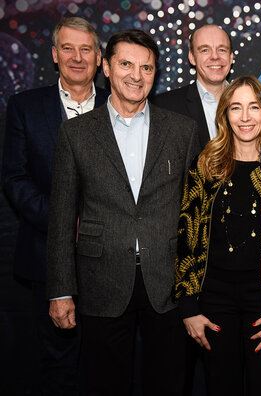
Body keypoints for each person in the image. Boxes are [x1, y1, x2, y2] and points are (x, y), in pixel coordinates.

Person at [46, 29, 201, 396]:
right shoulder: (76, 134)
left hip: (167, 282)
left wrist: (195, 287)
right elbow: (63, 218)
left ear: (156, 73)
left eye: (146, 68)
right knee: (105, 383)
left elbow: (196, 217)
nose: (136, 75)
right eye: (126, 64)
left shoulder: (182, 131)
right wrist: (60, 291)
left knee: (168, 383)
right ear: (106, 66)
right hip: (101, 280)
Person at [1, 17, 108, 395]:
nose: (77, 58)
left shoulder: (124, 107)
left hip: (113, 265)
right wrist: (66, 223)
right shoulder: (25, 107)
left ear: (99, 57)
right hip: (47, 259)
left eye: (85, 49)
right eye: (68, 48)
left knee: (108, 365)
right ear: (54, 55)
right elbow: (14, 179)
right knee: (57, 366)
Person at [172, 75, 261, 396]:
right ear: (224, 114)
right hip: (214, 301)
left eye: (254, 107)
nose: (245, 117)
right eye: (236, 108)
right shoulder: (206, 165)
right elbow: (187, 234)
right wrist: (188, 305)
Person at [153, 24, 234, 148]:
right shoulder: (165, 107)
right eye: (205, 50)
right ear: (192, 57)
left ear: (231, 57)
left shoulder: (254, 104)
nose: (215, 56)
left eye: (222, 49)